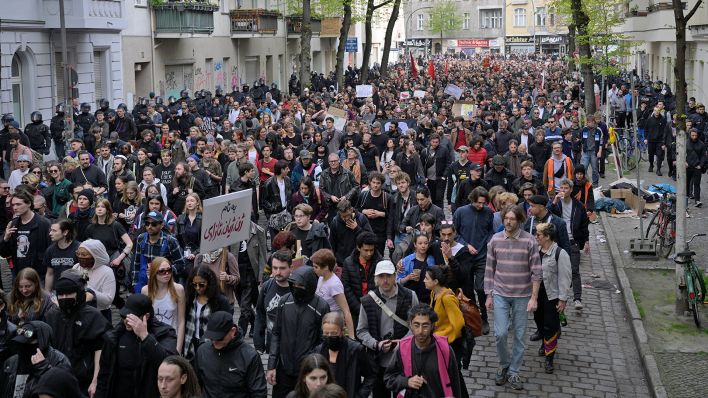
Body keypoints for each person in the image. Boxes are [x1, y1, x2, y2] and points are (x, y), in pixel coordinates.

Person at [485, 205, 542, 390]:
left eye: (512, 219)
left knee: (519, 336)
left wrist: (534, 297)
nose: (508, 222)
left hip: (522, 295)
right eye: (506, 218)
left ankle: (514, 371)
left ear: (519, 220)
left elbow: (536, 272)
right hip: (500, 293)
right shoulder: (495, 240)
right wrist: (488, 294)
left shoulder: (529, 241)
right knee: (500, 333)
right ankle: (503, 365)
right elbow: (489, 269)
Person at [95, 294, 178, 398]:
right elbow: (104, 374)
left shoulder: (164, 333)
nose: (127, 321)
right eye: (124, 316)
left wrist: (145, 336)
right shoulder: (115, 336)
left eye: (132, 318)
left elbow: (169, 363)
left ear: (146, 316)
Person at [357, 260, 418, 398]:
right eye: (381, 276)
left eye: (388, 276)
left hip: (404, 359)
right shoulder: (367, 301)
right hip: (378, 361)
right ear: (376, 279)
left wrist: (402, 343)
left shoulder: (410, 296)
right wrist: (376, 344)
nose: (385, 280)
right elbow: (361, 330)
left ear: (395, 276)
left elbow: (416, 325)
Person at [267, 266, 330, 398]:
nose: (296, 287)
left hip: (307, 372)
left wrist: (311, 359)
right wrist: (272, 365)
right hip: (283, 369)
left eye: (300, 285)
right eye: (293, 284)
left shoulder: (321, 307)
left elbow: (324, 340)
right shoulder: (284, 301)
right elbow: (276, 333)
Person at [44, 270, 110, 395]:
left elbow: (100, 349)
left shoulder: (93, 316)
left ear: (79, 293)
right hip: (58, 380)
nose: (64, 298)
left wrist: (95, 381)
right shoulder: (52, 316)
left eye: (69, 293)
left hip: (84, 382)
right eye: (61, 294)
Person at [384, 304, 462, 398]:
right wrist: (406, 381)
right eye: (416, 325)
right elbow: (388, 378)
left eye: (425, 326)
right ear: (410, 325)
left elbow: (456, 384)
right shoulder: (402, 348)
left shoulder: (445, 350)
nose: (420, 331)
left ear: (432, 326)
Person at [195, 311, 268, 398]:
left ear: (233, 331)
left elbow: (259, 393)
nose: (215, 342)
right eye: (212, 337)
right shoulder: (202, 351)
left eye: (219, 338)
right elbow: (196, 384)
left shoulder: (249, 356)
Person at [423, 265, 469, 398]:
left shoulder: (447, 298)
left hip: (451, 344)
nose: (424, 281)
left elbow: (458, 323)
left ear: (436, 281)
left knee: (455, 375)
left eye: (426, 278)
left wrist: (443, 338)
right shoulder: (434, 293)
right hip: (440, 341)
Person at [532, 223, 572, 373]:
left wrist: (563, 299)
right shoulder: (535, 251)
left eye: (538, 235)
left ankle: (550, 357)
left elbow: (565, 278)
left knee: (550, 326)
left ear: (547, 237)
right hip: (537, 295)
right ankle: (544, 343)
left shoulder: (560, 254)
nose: (536, 237)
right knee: (539, 323)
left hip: (552, 296)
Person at [548, 179, 590, 310]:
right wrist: (554, 201)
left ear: (571, 190)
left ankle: (577, 298)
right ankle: (556, 296)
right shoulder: (556, 204)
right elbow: (547, 214)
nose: (563, 191)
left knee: (574, 270)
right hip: (558, 241)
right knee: (555, 270)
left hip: (573, 241)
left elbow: (584, 224)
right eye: (561, 188)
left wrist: (586, 241)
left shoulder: (578, 205)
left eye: (566, 188)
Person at [2, 320, 72, 398]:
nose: (23, 347)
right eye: (21, 343)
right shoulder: (11, 362)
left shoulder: (58, 360)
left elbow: (64, 390)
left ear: (41, 341)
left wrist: (44, 369)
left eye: (28, 343)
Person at [315, 312, 376, 398]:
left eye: (333, 333)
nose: (329, 337)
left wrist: (360, 395)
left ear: (342, 331)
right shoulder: (319, 351)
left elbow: (370, 375)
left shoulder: (356, 350)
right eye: (326, 333)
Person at [182, 265, 233, 360]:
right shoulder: (189, 298)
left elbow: (227, 325)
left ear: (209, 283)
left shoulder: (220, 301)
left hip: (211, 344)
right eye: (194, 284)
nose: (197, 288)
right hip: (190, 344)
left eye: (201, 284)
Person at [1, 190, 52, 279]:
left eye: (18, 204)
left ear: (29, 204)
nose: (15, 208)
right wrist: (5, 239)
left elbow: (51, 251)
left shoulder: (44, 224)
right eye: (13, 205)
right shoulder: (13, 224)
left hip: (38, 275)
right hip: (19, 274)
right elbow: (4, 253)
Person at [132, 210, 186, 292]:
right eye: (147, 223)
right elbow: (136, 264)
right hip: (144, 283)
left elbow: (181, 264)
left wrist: (164, 271)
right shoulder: (141, 238)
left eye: (154, 224)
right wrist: (135, 284)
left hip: (164, 284)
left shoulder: (170, 241)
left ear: (162, 225)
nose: (150, 226)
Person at [141, 257, 187, 354]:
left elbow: (181, 321)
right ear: (154, 273)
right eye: (162, 271)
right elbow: (144, 319)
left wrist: (178, 349)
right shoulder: (145, 291)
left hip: (172, 339)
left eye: (169, 270)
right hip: (153, 339)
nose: (167, 273)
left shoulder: (178, 289)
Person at [254, 250, 294, 354]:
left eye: (282, 268)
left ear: (291, 268)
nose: (277, 272)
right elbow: (260, 314)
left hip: (292, 347)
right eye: (275, 268)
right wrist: (259, 343)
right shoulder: (267, 287)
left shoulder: (297, 289)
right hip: (272, 347)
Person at [310, 249, 355, 339]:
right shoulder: (321, 277)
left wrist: (351, 337)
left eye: (316, 267)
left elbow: (346, 311)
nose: (313, 269)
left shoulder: (334, 285)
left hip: (333, 327)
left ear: (326, 267)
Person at [73, 240, 117, 321]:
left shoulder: (107, 272)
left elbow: (108, 300)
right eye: (78, 254)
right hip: (79, 313)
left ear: (95, 255)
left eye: (84, 255)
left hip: (100, 315)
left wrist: (88, 289)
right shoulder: (76, 267)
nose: (80, 257)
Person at [329, 199, 373, 266]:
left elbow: (370, 238)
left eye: (347, 215)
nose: (346, 218)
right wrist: (333, 259)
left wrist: (357, 228)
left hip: (359, 260)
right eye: (343, 216)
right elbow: (332, 243)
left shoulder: (361, 218)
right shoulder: (335, 222)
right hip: (341, 262)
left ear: (351, 209)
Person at [319, 153, 359, 222]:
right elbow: (321, 190)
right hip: (331, 206)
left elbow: (356, 186)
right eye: (331, 161)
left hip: (345, 206)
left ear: (339, 161)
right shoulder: (324, 174)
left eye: (335, 161)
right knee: (333, 227)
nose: (333, 163)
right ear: (329, 162)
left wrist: (346, 197)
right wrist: (330, 197)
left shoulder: (347, 173)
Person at [43, 220, 80, 291]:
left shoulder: (79, 248)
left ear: (65, 232)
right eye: (50, 230)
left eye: (54, 231)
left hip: (74, 290)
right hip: (57, 291)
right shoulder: (50, 250)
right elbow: (50, 274)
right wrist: (47, 295)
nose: (50, 233)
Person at [397, 233, 436, 302]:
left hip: (427, 297)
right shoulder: (407, 260)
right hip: (410, 297)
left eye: (426, 243)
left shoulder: (432, 259)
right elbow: (397, 281)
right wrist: (407, 278)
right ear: (415, 244)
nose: (423, 246)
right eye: (420, 243)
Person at [686, 128, 706, 207]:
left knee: (697, 184)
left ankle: (697, 200)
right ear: (690, 135)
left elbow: (703, 156)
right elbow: (682, 153)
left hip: (697, 166)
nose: (694, 137)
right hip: (687, 166)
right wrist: (684, 162)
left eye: (695, 135)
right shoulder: (686, 143)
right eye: (692, 135)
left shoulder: (701, 144)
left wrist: (700, 165)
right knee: (687, 183)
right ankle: (686, 198)